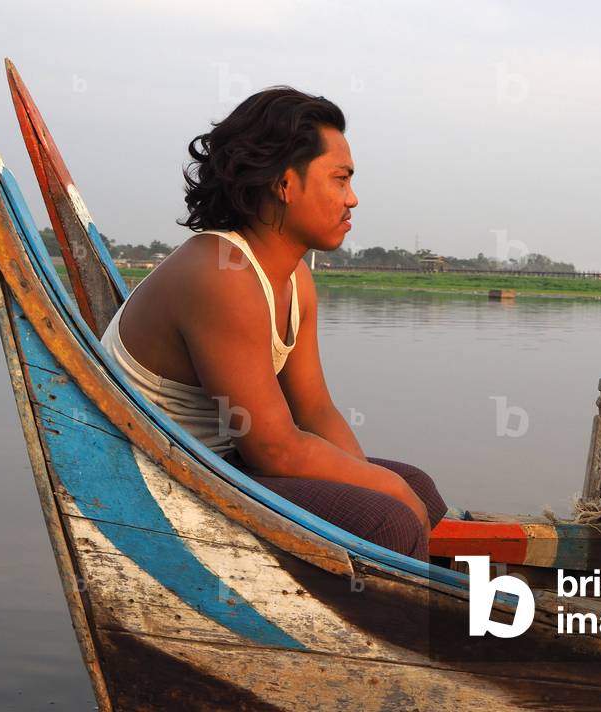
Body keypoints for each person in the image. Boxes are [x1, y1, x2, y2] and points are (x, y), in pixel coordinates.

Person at [100, 87, 446, 562]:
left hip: (221, 464)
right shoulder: (222, 273)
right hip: (161, 482)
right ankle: (399, 630)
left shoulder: (295, 278)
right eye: (340, 179)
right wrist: (381, 492)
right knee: (389, 519)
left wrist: (377, 481)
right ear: (284, 184)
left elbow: (315, 412)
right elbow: (273, 450)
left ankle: (428, 607)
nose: (353, 199)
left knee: (415, 489)